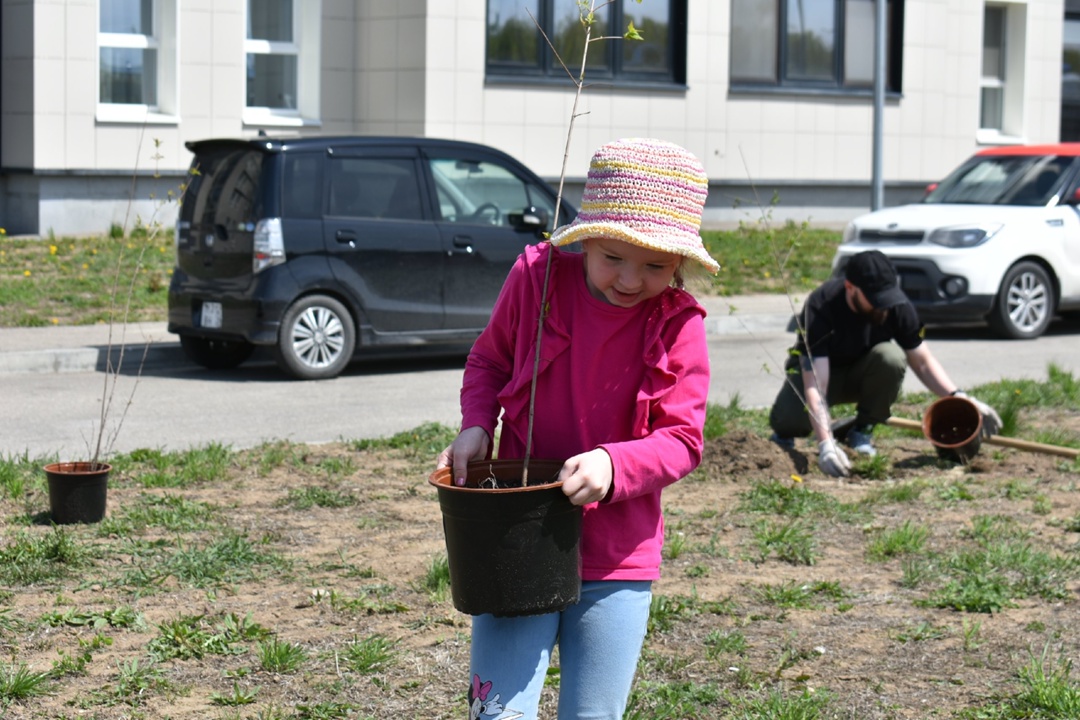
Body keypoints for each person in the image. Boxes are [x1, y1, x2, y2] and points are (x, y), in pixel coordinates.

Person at [435, 137, 719, 719]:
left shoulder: (679, 324)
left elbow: (683, 440)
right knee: (496, 712)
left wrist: (616, 464)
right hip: (516, 532)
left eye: (655, 266)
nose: (630, 279)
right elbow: (489, 360)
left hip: (616, 555)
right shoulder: (536, 279)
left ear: (680, 263)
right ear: (585, 238)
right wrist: (476, 424)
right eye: (613, 256)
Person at [768, 249, 1002, 477]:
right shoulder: (821, 305)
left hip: (863, 375)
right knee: (789, 421)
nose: (883, 305)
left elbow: (922, 361)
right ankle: (790, 438)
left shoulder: (896, 306)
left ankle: (862, 431)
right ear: (850, 287)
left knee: (891, 357)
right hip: (820, 376)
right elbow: (817, 386)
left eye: (886, 296)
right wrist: (826, 445)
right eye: (875, 299)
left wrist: (959, 397)